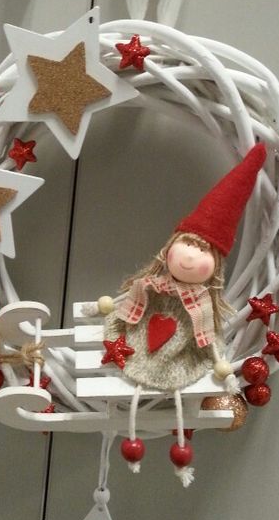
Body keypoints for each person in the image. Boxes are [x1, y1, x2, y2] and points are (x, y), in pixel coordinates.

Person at [102, 143, 266, 485]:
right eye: (188, 244)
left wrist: (223, 368)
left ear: (216, 264)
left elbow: (206, 337)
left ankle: (178, 455)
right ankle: (135, 443)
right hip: (137, 346)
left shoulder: (201, 304)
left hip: (181, 357)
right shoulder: (150, 287)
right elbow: (128, 309)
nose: (190, 257)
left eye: (203, 250)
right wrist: (105, 311)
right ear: (171, 246)